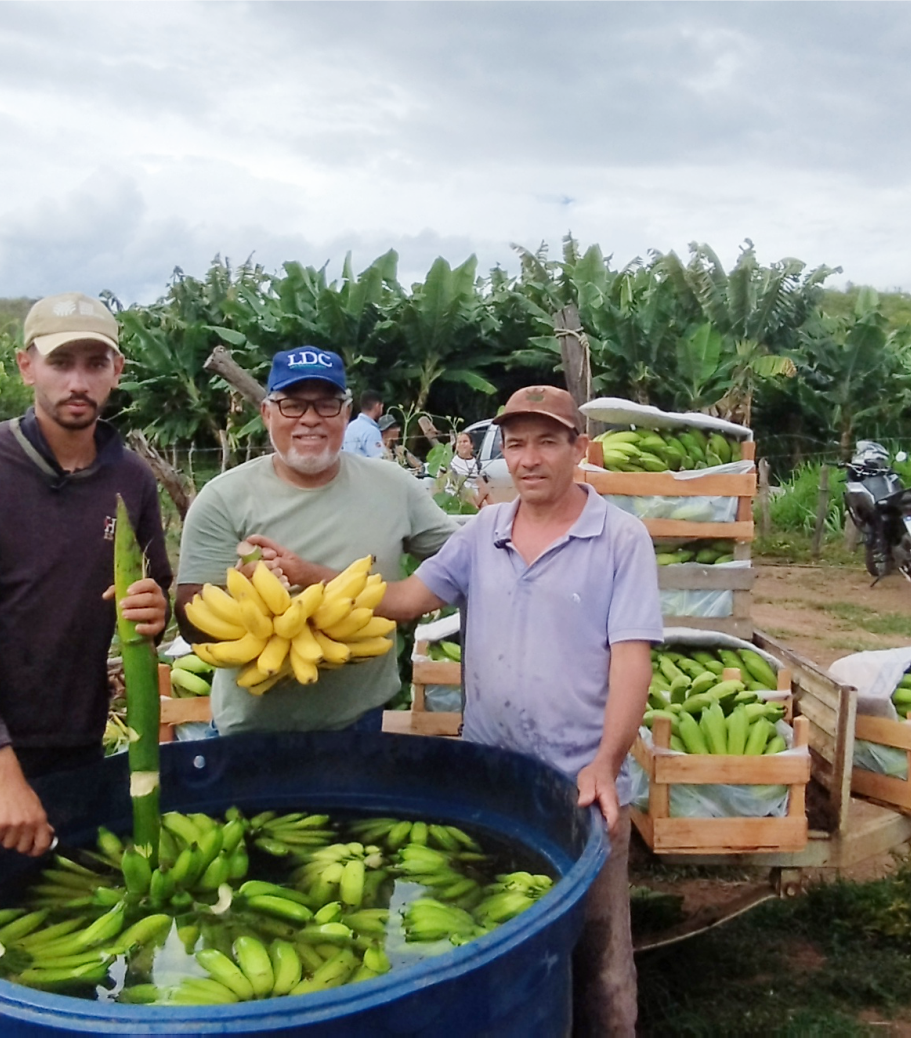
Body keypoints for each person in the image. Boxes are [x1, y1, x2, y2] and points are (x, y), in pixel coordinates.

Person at [0, 292, 173, 1036]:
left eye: (95, 362)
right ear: (28, 367)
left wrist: (156, 610)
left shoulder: (131, 480)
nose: (77, 381)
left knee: (59, 961)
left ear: (116, 372)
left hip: (72, 753)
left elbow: (155, 596)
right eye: (61, 362)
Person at [375, 385, 659, 1036]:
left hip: (580, 788)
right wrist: (314, 579)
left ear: (579, 450)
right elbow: (410, 598)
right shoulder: (484, 531)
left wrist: (607, 763)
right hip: (493, 784)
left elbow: (631, 659)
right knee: (494, 934)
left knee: (600, 958)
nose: (529, 459)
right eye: (517, 444)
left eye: (547, 442)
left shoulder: (620, 538)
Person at [173, 347, 459, 734]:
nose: (310, 419)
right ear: (266, 413)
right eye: (292, 405)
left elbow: (463, 558)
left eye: (326, 405)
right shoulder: (223, 498)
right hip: (248, 729)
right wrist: (243, 594)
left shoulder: (395, 487)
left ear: (346, 413)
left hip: (361, 721)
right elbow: (192, 622)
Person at [342, 388, 386, 458]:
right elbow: (380, 460)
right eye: (381, 407)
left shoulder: (350, 426)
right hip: (365, 468)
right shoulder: (371, 431)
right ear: (377, 406)